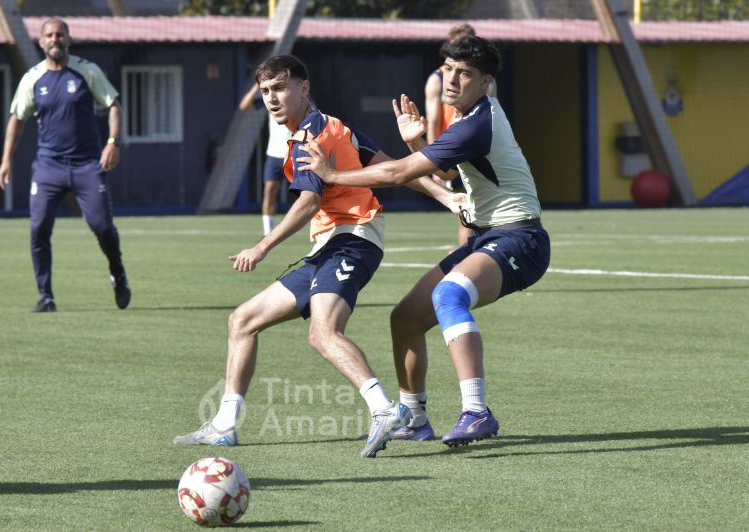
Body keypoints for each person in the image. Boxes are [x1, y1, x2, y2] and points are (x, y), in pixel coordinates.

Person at [173, 54, 464, 458]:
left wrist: (262, 246)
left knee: (322, 332)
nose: (272, 98)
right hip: (330, 245)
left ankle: (384, 410)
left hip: (353, 238)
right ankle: (224, 426)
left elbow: (309, 201)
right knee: (242, 321)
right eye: (265, 91)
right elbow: (394, 168)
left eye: (280, 88)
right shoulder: (334, 126)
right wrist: (446, 196)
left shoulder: (311, 136)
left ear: (303, 88)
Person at [298, 36, 550, 447]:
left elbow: (397, 175)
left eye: (464, 73)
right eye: (447, 69)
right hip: (490, 237)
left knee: (449, 295)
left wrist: (333, 175)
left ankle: (477, 411)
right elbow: (447, 176)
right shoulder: (470, 117)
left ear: (485, 82)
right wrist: (416, 142)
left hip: (521, 239)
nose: (451, 79)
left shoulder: (476, 122)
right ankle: (413, 417)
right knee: (405, 319)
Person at [0, 18, 130, 313]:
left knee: (102, 226)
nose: (55, 39)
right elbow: (16, 120)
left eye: (60, 34)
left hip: (86, 165)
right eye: (49, 35)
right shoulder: (32, 79)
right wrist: (6, 161)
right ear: (41, 42)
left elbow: (114, 105)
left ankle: (118, 273)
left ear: (68, 39)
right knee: (38, 228)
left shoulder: (87, 71)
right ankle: (46, 296)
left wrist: (112, 142)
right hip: (48, 167)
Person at [424, 24, 497, 246]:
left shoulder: (485, 77)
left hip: (480, 149)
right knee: (466, 209)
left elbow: (493, 111)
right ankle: (466, 254)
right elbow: (434, 120)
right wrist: (434, 160)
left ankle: (471, 254)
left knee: (484, 206)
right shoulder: (437, 79)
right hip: (454, 149)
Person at [238, 83, 291, 236]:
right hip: (274, 154)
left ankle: (319, 225)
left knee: (306, 192)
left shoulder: (296, 100)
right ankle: (268, 231)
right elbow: (244, 106)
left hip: (294, 154)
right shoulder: (270, 101)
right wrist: (256, 86)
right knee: (269, 191)